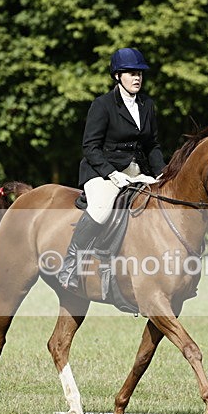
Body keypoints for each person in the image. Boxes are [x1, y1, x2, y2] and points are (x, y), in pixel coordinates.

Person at [57, 47, 166, 290]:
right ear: (117, 76)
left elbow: (152, 145)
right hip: (101, 172)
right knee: (102, 209)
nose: (136, 77)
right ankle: (70, 267)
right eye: (129, 73)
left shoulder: (147, 105)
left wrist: (162, 174)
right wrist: (112, 174)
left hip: (136, 172)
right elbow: (90, 147)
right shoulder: (103, 105)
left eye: (139, 73)